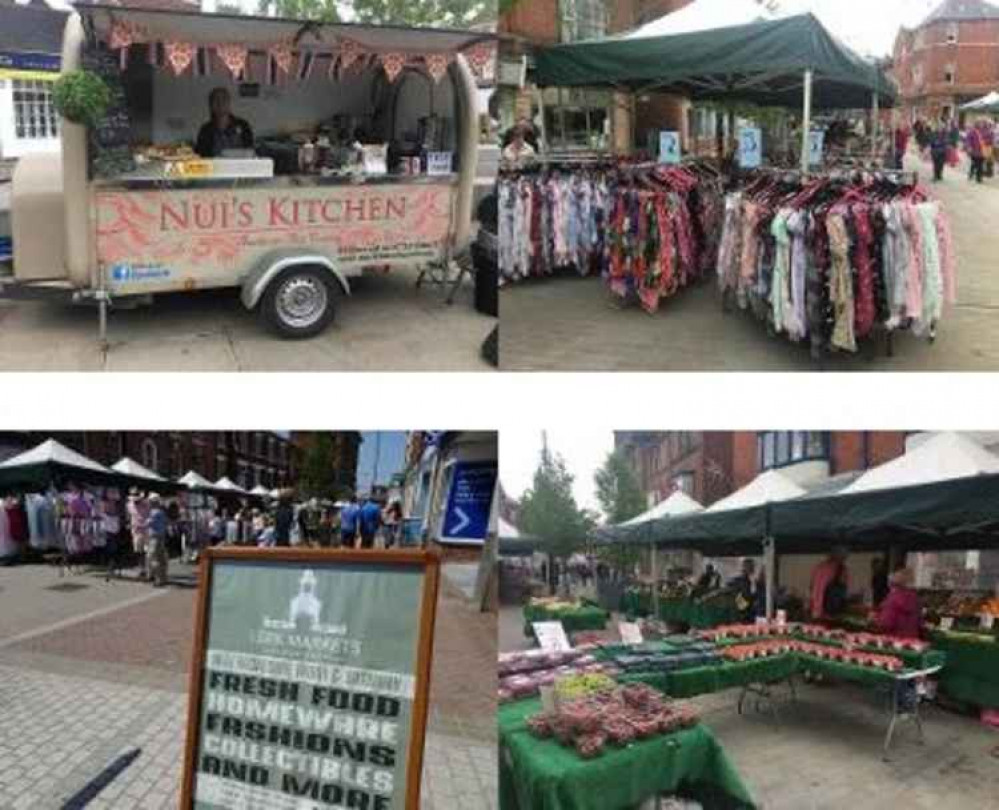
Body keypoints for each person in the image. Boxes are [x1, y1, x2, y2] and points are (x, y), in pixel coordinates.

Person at [195, 87, 254, 158]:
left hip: (240, 166)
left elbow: (250, 151)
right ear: (211, 106)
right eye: (216, 100)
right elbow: (201, 155)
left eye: (223, 99)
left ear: (229, 103)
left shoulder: (243, 125)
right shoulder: (206, 130)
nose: (220, 103)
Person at [877, 568, 922, 639]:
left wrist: (877, 619)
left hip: (893, 641)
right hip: (912, 641)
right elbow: (919, 622)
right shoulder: (915, 599)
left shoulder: (892, 599)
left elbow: (886, 623)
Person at [810, 547, 849, 620]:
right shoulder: (824, 569)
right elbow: (817, 591)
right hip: (830, 611)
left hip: (832, 610)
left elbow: (816, 590)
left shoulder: (842, 570)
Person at [146, 494, 169, 587]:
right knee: (161, 558)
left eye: (150, 501)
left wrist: (137, 525)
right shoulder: (162, 512)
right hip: (161, 536)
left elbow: (148, 523)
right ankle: (163, 578)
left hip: (155, 537)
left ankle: (158, 579)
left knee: (153, 558)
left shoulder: (155, 512)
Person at [127, 490, 151, 580]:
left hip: (146, 530)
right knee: (138, 550)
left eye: (137, 500)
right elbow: (130, 516)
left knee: (147, 551)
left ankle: (149, 569)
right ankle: (142, 569)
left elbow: (150, 515)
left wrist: (147, 523)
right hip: (136, 530)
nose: (135, 501)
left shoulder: (146, 504)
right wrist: (129, 523)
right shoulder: (129, 505)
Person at [929, 118, 950, 182]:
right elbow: (932, 142)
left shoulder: (945, 133)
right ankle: (935, 176)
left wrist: (939, 143)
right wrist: (936, 143)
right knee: (935, 164)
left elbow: (946, 141)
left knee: (941, 164)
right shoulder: (934, 133)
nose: (940, 128)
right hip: (935, 151)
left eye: (941, 126)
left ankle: (939, 175)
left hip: (942, 151)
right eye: (939, 126)